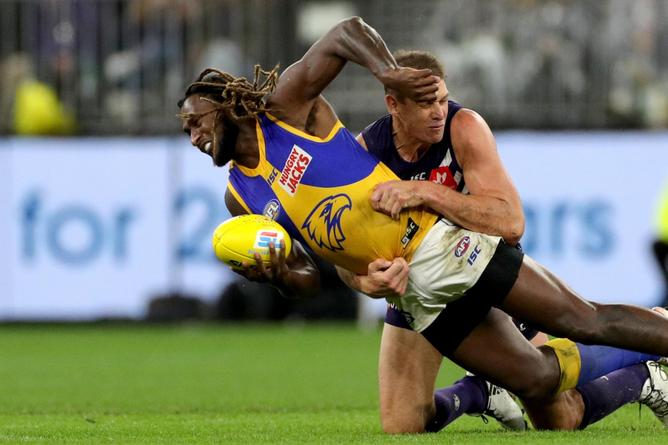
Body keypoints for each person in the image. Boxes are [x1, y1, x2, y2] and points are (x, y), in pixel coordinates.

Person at [178, 16, 668, 433]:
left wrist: (389, 72)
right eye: (186, 131)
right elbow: (311, 276)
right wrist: (281, 274)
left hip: (441, 247)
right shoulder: (238, 197)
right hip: (410, 293)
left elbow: (345, 32)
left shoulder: (284, 112)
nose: (194, 136)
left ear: (228, 103)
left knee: (583, 321)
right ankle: (622, 374)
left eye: (197, 121)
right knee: (536, 382)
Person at [338, 48, 668, 432]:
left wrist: (427, 192)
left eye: (442, 99)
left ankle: (644, 378)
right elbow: (343, 255)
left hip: (481, 273)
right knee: (401, 425)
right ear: (393, 104)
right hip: (419, 290)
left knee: (559, 417)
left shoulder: (464, 127)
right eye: (426, 103)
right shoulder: (365, 156)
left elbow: (510, 222)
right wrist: (365, 281)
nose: (438, 112)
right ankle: (480, 392)